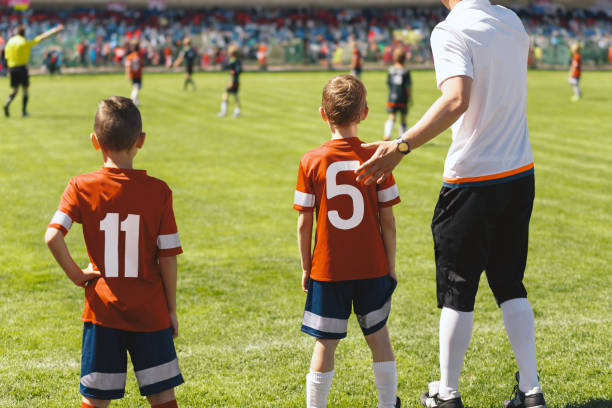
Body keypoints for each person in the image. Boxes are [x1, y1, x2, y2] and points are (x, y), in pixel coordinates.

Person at [355, 1, 546, 408]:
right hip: (519, 172)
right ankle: (531, 391)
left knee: (459, 289)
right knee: (511, 283)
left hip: (474, 177)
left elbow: (457, 98)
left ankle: (447, 392)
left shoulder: (450, 30)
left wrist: (401, 145)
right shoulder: (511, 21)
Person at [45, 96, 184, 408]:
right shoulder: (159, 192)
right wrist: (171, 309)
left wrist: (77, 275)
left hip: (102, 311)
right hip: (151, 312)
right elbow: (168, 257)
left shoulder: (80, 186)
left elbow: (52, 236)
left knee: (95, 401)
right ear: (141, 141)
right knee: (162, 397)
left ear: (95, 142)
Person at [294, 75, 401, 408]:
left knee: (325, 343)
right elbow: (388, 221)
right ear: (365, 113)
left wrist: (306, 266)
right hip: (372, 265)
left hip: (328, 268)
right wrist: (391, 266)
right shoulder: (378, 156)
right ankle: (387, 404)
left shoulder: (311, 160)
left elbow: (303, 223)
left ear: (323, 115)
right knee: (379, 338)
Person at [3, 23, 64, 118]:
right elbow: (41, 37)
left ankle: (7, 103)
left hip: (12, 68)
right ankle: (23, 112)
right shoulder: (24, 42)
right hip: (22, 68)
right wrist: (55, 30)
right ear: (24, 33)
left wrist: (8, 69)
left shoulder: (10, 42)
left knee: (14, 90)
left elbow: (6, 56)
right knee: (25, 90)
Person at [384, 48, 412, 141]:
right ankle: (403, 138)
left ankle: (387, 135)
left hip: (392, 97)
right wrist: (409, 97)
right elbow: (408, 86)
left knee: (392, 116)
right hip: (403, 97)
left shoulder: (391, 70)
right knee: (403, 118)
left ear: (394, 58)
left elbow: (389, 83)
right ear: (404, 59)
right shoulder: (406, 71)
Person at [217, 45, 242, 118]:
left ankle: (224, 112)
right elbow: (224, 66)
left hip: (233, 81)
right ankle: (237, 112)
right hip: (233, 81)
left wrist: (233, 73)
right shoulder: (231, 61)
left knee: (226, 95)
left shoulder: (235, 61)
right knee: (235, 96)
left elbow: (238, 71)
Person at [125, 41, 143, 107]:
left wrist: (127, 74)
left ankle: (137, 101)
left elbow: (128, 66)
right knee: (136, 88)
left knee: (136, 87)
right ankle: (132, 101)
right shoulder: (138, 55)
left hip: (133, 74)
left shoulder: (130, 56)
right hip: (137, 74)